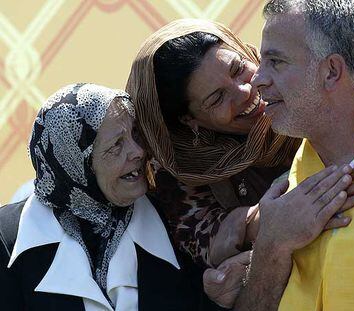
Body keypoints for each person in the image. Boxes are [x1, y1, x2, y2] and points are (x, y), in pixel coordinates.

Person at [126, 19, 354, 307]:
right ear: (189, 120)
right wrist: (272, 227)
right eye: (217, 98)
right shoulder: (179, 172)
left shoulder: (317, 84)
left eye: (238, 69)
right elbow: (211, 255)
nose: (244, 92)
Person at [248, 0, 354, 310]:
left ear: (331, 71)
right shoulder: (288, 195)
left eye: (276, 61)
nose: (257, 79)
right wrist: (270, 246)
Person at [0, 83, 209, 310]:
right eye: (117, 145)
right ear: (75, 164)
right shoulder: (7, 238)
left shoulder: (173, 215)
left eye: (135, 133)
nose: (138, 151)